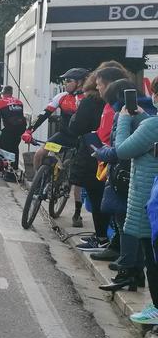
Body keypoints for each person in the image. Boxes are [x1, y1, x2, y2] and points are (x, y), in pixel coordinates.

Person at [93, 92, 158, 300]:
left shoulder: (151, 125)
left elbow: (121, 150)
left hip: (145, 192)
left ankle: (154, 306)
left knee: (149, 252)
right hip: (150, 191)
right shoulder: (151, 124)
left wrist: (123, 120)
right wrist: (141, 116)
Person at [22, 67, 87, 225]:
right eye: (64, 80)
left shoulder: (87, 99)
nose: (65, 83)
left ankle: (77, 213)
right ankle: (39, 184)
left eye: (68, 81)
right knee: (39, 154)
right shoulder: (62, 97)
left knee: (77, 179)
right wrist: (29, 130)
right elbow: (44, 114)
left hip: (81, 139)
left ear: (79, 83)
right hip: (63, 136)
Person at [67, 67, 117, 252]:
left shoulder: (93, 102)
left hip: (95, 155)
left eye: (99, 85)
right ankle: (103, 236)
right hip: (107, 156)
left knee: (97, 197)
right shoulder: (113, 104)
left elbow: (76, 126)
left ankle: (102, 237)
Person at [0, 85, 27, 182]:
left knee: (2, 146)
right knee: (14, 147)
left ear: (2, 94)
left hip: (10, 128)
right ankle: (14, 168)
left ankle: (7, 169)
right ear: (11, 93)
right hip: (21, 128)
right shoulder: (19, 102)